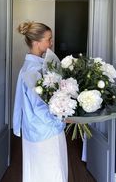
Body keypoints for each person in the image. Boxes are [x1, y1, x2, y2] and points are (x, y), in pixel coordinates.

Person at [13, 21, 68, 182]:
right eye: (48, 39)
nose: (51, 43)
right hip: (46, 132)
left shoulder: (33, 66)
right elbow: (39, 107)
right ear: (37, 42)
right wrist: (63, 118)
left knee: (37, 173)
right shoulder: (33, 70)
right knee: (52, 173)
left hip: (36, 130)